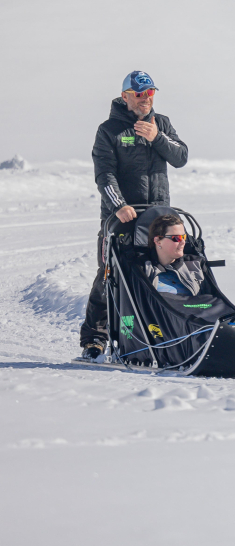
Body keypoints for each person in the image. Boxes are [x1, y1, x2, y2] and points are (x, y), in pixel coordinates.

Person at [79, 71, 190, 359]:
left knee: (163, 273)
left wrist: (157, 138)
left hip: (157, 218)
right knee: (109, 276)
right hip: (123, 219)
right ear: (126, 95)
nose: (146, 99)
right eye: (139, 94)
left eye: (150, 93)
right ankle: (95, 340)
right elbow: (104, 174)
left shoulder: (161, 123)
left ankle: (165, 332)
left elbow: (180, 157)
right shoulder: (109, 130)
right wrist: (119, 206)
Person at [142, 213, 206, 297]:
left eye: (184, 237)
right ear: (158, 241)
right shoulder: (143, 270)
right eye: (177, 238)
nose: (183, 242)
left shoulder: (195, 265)